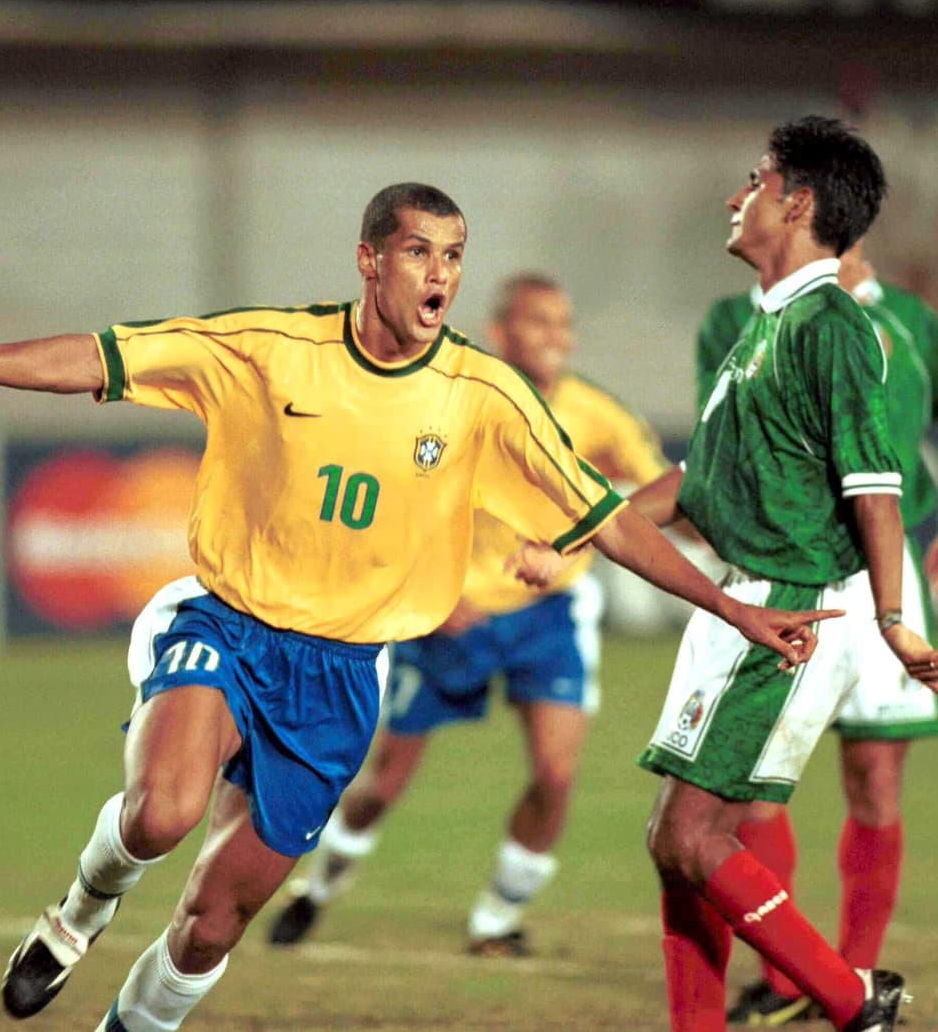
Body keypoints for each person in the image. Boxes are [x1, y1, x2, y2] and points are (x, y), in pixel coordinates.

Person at [0, 182, 834, 1032]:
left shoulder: (484, 395)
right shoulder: (267, 349)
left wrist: (732, 609)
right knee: (163, 810)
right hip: (227, 625)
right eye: (416, 251)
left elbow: (609, 521)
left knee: (214, 921)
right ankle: (79, 909)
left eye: (453, 254)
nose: (438, 273)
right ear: (368, 259)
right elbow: (95, 360)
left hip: (345, 673)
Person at [511, 118, 938, 1032]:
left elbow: (876, 491)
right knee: (673, 841)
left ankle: (851, 1001)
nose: (735, 197)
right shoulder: (764, 325)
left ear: (797, 204)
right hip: (738, 604)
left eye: (752, 181)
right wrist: (577, 534)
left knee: (690, 835)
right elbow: (696, 485)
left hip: (785, 608)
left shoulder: (833, 327)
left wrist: (891, 621)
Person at [266, 272, 669, 955]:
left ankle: (496, 919)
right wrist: (429, 590)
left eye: (564, 324)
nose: (555, 337)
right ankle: (320, 886)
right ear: (500, 332)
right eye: (539, 322)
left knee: (556, 772)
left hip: (551, 611)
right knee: (381, 783)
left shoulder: (596, 413)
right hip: (450, 611)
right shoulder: (449, 400)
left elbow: (659, 487)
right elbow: (386, 499)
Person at [695, 243, 938, 1026]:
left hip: (877, 573)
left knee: (876, 782)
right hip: (787, 575)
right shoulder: (734, 318)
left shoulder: (908, 320)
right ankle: (788, 977)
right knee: (752, 786)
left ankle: (853, 981)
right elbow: (719, 445)